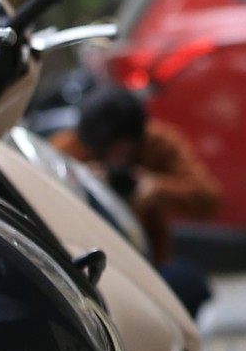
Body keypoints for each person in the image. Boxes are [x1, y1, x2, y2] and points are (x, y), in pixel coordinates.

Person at [57, 82, 221, 320]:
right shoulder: (68, 151)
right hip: (87, 267)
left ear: (136, 140)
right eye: (105, 155)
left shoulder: (157, 144)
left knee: (188, 284)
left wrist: (158, 189)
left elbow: (210, 197)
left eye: (122, 153)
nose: (114, 162)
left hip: (146, 265)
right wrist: (83, 185)